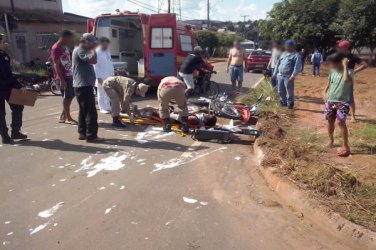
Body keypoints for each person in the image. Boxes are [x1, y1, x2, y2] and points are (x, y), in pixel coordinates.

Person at [72, 33, 104, 143]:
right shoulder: (81, 49)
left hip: (82, 85)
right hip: (83, 85)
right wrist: (93, 49)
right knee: (91, 111)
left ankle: (82, 132)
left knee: (83, 110)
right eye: (92, 42)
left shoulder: (81, 49)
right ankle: (91, 135)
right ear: (86, 41)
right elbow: (93, 60)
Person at [323, 52, 353, 157]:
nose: (331, 65)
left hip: (342, 102)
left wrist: (345, 66)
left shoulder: (349, 72)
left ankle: (346, 146)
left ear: (340, 62)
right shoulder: (332, 72)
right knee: (330, 121)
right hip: (330, 101)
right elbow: (328, 84)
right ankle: (331, 141)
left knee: (340, 123)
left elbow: (346, 80)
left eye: (333, 63)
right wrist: (324, 92)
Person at [0, 34, 28, 144]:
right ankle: (7, 136)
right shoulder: (1, 56)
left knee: (16, 107)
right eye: (2, 41)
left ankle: (12, 133)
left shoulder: (3, 54)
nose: (4, 43)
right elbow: (6, 74)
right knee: (5, 112)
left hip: (6, 86)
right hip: (5, 87)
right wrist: (19, 86)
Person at [337, 40, 369, 122]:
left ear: (346, 47)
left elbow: (365, 65)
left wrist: (354, 71)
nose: (340, 48)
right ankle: (341, 113)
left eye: (341, 47)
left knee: (350, 97)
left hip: (348, 79)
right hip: (339, 77)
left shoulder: (353, 57)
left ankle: (353, 116)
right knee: (339, 95)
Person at [50, 30, 77, 125]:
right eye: (69, 38)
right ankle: (68, 118)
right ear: (64, 37)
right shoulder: (56, 48)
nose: (71, 40)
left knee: (70, 96)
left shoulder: (64, 47)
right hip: (63, 77)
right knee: (67, 97)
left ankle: (63, 115)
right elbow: (56, 65)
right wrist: (61, 80)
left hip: (69, 74)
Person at [272, 39, 302, 109]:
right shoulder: (283, 54)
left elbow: (297, 67)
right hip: (280, 75)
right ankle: (283, 102)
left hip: (288, 76)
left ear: (292, 46)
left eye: (288, 46)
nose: (286, 47)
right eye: (286, 46)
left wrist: (293, 75)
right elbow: (277, 64)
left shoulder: (296, 55)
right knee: (280, 90)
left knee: (289, 91)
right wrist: (274, 73)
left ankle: (290, 103)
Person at [94, 37, 113, 114]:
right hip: (101, 76)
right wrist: (98, 77)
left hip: (109, 75)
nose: (106, 46)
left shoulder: (107, 52)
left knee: (108, 92)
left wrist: (112, 74)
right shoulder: (97, 52)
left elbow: (110, 63)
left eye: (107, 44)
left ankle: (108, 106)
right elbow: (95, 65)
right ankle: (102, 107)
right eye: (105, 44)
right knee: (101, 92)